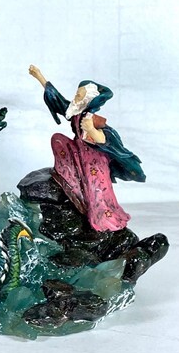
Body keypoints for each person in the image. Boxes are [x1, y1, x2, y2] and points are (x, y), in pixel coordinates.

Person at [29, 65, 145, 232]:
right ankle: (71, 178)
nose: (75, 97)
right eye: (77, 94)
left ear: (87, 100)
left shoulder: (92, 118)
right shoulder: (76, 112)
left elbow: (105, 139)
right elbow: (59, 101)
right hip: (79, 154)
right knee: (58, 139)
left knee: (96, 189)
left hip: (94, 160)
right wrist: (40, 77)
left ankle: (104, 220)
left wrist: (91, 129)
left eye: (79, 95)